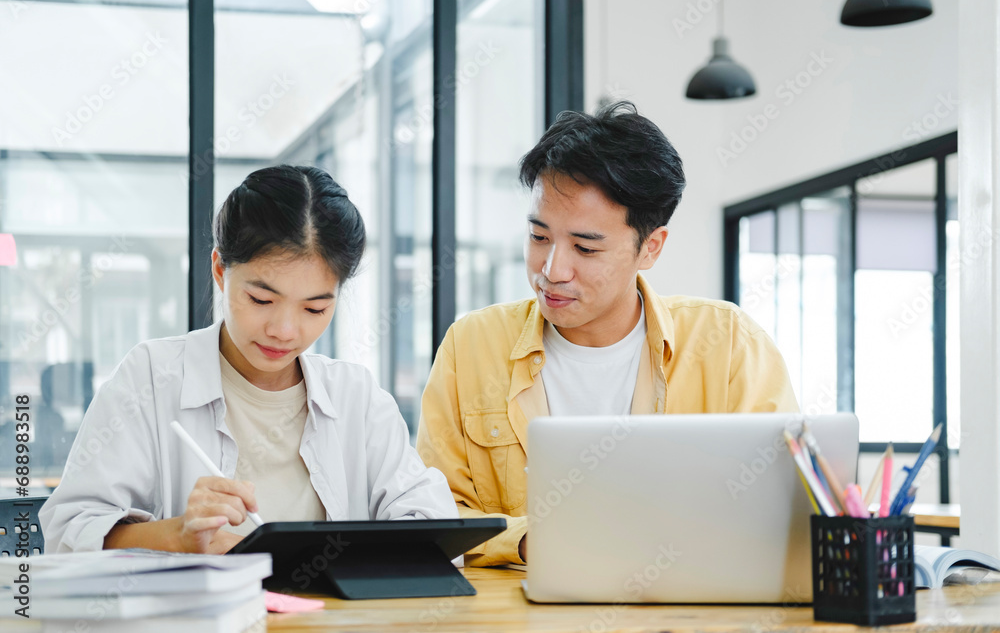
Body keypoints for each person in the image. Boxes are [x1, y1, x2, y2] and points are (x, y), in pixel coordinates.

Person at [416, 101, 798, 567]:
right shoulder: (471, 345)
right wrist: (529, 541)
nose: (552, 271)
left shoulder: (729, 343)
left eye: (584, 247)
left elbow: (781, 506)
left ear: (650, 247)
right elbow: (433, 514)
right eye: (539, 238)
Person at [41, 165, 457, 554]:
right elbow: (68, 532)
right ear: (220, 269)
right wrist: (178, 536)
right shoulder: (152, 376)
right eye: (261, 299)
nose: (284, 330)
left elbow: (429, 520)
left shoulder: (354, 395)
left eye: (314, 309)